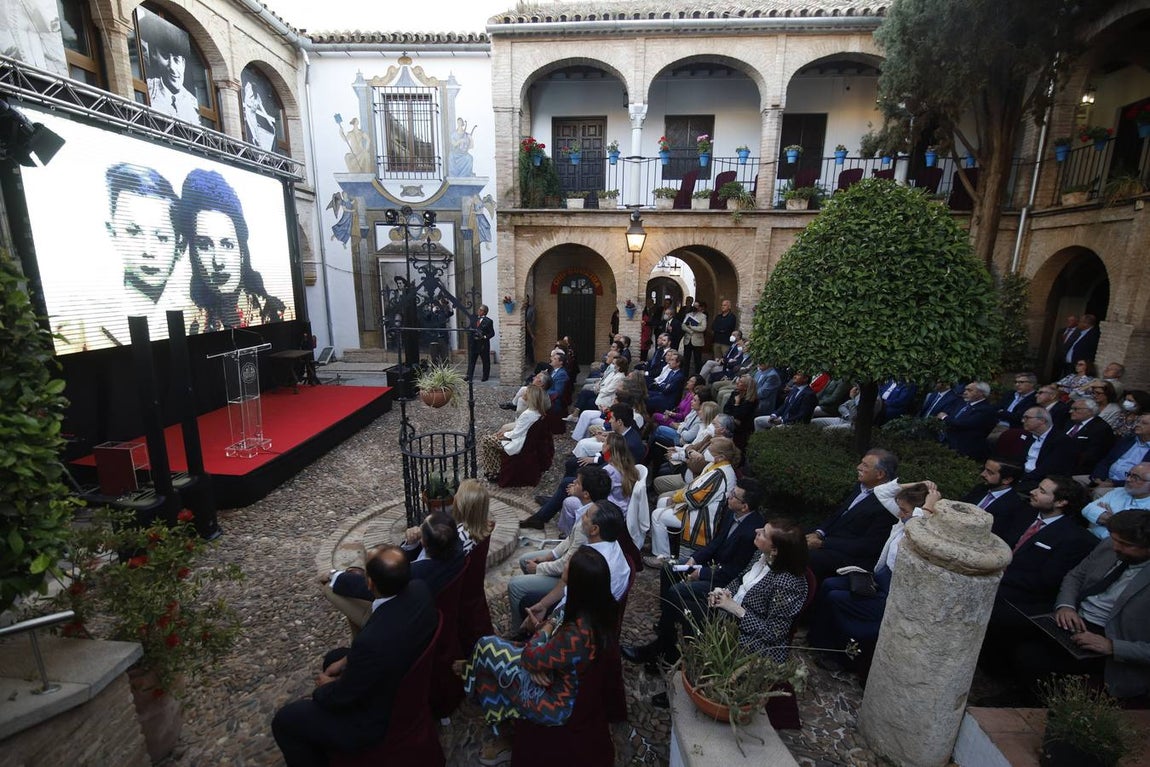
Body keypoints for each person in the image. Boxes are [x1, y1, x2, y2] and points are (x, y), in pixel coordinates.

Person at [273, 546, 437, 765]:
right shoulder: (420, 589)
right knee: (334, 657)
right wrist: (346, 660)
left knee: (285, 721)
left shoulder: (371, 643)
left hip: (375, 720)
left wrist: (324, 687)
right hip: (404, 669)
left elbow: (342, 696)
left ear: (369, 584)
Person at [463, 546, 618, 764]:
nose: (565, 564)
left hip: (554, 702)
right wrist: (546, 634)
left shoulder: (577, 633)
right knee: (488, 647)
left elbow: (530, 656)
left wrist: (542, 636)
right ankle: (472, 677)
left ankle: (501, 731)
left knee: (487, 651)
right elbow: (550, 642)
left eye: (568, 564)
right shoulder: (598, 610)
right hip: (553, 672)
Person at [1007, 509, 1150, 704]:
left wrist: (1112, 647)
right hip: (1074, 616)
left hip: (1110, 639)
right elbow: (1076, 576)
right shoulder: (1111, 545)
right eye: (1115, 539)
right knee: (1007, 621)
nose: (1115, 547)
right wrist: (1066, 606)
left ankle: (1027, 702)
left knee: (1034, 657)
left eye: (1126, 545)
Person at [622, 477, 766, 667]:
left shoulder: (750, 533)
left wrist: (703, 573)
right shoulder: (732, 513)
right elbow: (716, 543)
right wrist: (695, 559)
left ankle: (668, 634)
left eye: (733, 496)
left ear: (744, 506)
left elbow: (734, 572)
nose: (728, 497)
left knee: (679, 590)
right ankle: (669, 619)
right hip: (712, 565)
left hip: (722, 578)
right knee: (669, 569)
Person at [806, 483, 934, 672]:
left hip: (893, 593)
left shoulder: (920, 531)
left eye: (905, 511)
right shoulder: (903, 522)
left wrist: (929, 505)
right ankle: (819, 641)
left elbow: (921, 523)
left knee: (836, 597)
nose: (900, 514)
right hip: (879, 578)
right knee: (829, 585)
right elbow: (881, 492)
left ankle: (838, 655)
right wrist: (919, 484)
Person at [176, 169, 287, 333]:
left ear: (242, 252)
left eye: (227, 244)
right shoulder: (191, 322)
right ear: (193, 254)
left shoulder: (274, 312)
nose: (218, 262)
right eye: (205, 245)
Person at [102, 162, 191, 343]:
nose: (148, 251)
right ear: (113, 233)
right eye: (134, 232)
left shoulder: (194, 310)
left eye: (162, 237)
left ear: (180, 246)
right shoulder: (82, 321)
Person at [805, 449, 900, 579]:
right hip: (831, 537)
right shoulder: (861, 486)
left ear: (880, 474)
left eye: (865, 465)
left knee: (807, 556)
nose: (858, 467)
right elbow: (839, 514)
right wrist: (819, 533)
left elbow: (867, 546)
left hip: (851, 556)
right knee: (789, 533)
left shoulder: (887, 506)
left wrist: (822, 543)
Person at [648, 437, 739, 560]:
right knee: (662, 501)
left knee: (657, 515)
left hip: (704, 517)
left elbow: (696, 498)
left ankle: (662, 557)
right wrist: (677, 497)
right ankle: (665, 541)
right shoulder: (716, 465)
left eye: (710, 450)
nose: (706, 451)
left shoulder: (720, 474)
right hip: (700, 506)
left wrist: (675, 499)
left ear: (721, 457)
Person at [479, 384, 547, 479]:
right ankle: (493, 469)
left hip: (519, 442)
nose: (523, 394)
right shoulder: (537, 411)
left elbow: (517, 432)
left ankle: (493, 471)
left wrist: (504, 435)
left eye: (526, 393)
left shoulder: (528, 414)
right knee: (491, 440)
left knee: (486, 440)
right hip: (524, 439)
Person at [143, 21, 200, 123]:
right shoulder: (148, 89)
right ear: (154, 54)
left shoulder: (194, 104)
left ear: (183, 63)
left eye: (176, 59)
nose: (172, 68)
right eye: (165, 57)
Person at [1081, 462, 1150, 539]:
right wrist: (1117, 523)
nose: (1127, 479)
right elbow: (1087, 510)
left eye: (1135, 478)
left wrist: (1111, 520)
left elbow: (1132, 535)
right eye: (1129, 474)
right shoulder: (1118, 491)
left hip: (1114, 547)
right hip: (1090, 535)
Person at [939, 381, 998, 460]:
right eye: (965, 390)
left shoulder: (986, 410)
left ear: (981, 393)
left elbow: (963, 424)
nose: (965, 392)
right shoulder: (962, 404)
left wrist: (944, 418)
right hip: (948, 444)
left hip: (965, 450)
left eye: (969, 390)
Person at [242, 80, 277, 151]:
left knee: (256, 131)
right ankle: (256, 145)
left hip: (252, 115)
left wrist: (270, 123)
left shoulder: (257, 97)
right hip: (248, 112)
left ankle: (259, 148)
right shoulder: (249, 91)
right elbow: (247, 100)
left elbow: (263, 110)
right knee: (253, 131)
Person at [467, 304, 496, 382]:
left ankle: (485, 376)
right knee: (471, 361)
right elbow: (471, 329)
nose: (479, 311)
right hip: (474, 343)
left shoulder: (489, 321)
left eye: (481, 310)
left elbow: (492, 333)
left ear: (485, 312)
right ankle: (469, 376)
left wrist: (485, 337)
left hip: (483, 344)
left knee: (485, 361)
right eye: (479, 309)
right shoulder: (474, 319)